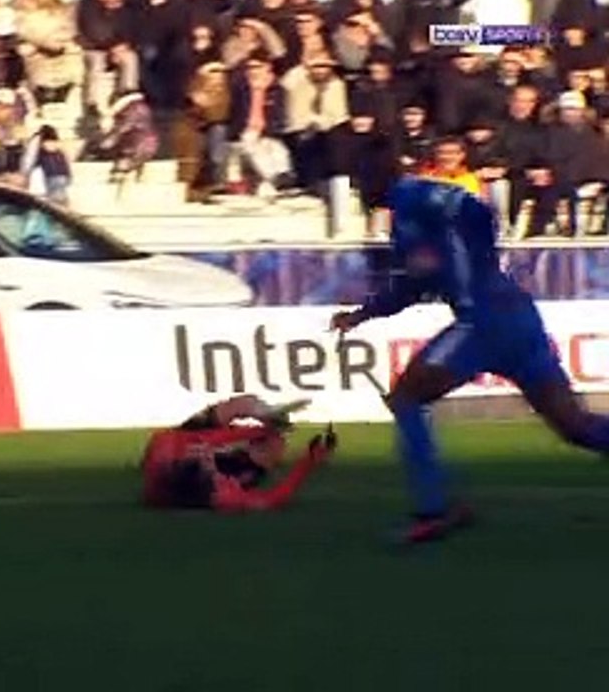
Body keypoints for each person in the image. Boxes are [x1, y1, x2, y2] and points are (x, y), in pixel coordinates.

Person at [330, 177, 609, 544]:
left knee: (407, 398)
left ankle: (434, 510)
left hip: (482, 323)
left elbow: (473, 211)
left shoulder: (414, 201)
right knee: (573, 424)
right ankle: (437, 507)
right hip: (517, 317)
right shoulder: (408, 225)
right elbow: (410, 286)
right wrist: (362, 314)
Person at [141, 395, 334, 511]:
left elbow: (213, 437)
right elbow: (273, 499)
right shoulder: (223, 495)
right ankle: (267, 420)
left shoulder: (167, 449)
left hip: (188, 435)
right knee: (272, 447)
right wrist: (308, 462)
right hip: (204, 458)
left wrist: (260, 429)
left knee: (239, 407)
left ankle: (265, 411)